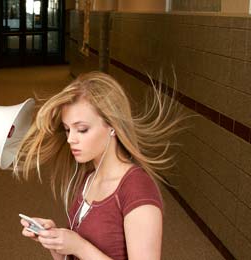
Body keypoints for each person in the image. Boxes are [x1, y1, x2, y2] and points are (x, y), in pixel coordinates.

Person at [13, 71, 186, 260]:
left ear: (112, 125)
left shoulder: (137, 189)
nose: (70, 139)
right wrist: (57, 242)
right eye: (67, 129)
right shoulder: (89, 179)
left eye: (82, 129)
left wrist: (79, 247)